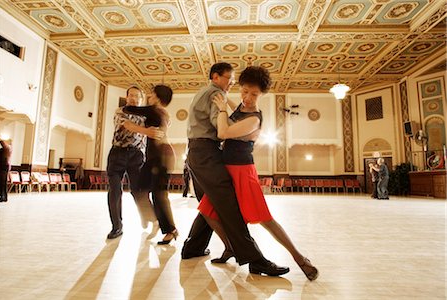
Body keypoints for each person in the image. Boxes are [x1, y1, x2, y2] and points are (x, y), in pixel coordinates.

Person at [197, 66, 318, 281]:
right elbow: (236, 110)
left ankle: (300, 259)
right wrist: (228, 101)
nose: (248, 97)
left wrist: (223, 107)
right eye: (244, 91)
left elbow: (224, 132)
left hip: (243, 172)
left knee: (265, 219)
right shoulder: (240, 109)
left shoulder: (254, 118)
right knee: (207, 211)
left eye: (254, 94)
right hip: (225, 170)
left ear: (261, 94)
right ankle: (231, 248)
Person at [182, 62, 289, 276]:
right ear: (215, 77)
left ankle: (192, 248)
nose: (232, 82)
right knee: (229, 208)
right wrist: (233, 119)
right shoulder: (216, 95)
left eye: (233, 79)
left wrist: (238, 110)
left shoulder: (208, 92)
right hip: (206, 153)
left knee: (210, 205)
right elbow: (222, 128)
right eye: (229, 78)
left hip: (200, 153)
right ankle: (256, 260)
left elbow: (232, 116)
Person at [122, 85, 178, 245]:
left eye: (152, 94)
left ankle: (170, 230)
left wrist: (133, 125)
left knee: (159, 195)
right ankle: (154, 220)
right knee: (138, 189)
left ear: (158, 98)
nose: (149, 96)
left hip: (161, 157)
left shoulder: (153, 110)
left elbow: (128, 109)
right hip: (154, 157)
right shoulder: (163, 113)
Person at [106, 86, 163, 239]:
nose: (134, 98)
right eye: (131, 95)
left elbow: (159, 124)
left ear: (141, 99)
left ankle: (149, 217)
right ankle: (116, 227)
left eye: (137, 96)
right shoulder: (120, 111)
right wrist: (147, 132)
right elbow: (127, 125)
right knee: (115, 190)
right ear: (127, 96)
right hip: (117, 154)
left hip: (136, 156)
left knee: (138, 190)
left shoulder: (145, 115)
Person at [0, 134, 12, 203]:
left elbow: (1, 142)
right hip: (2, 167)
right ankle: (4, 196)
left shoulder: (8, 147)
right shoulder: (5, 149)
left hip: (3, 167)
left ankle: (3, 196)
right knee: (2, 182)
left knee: (1, 182)